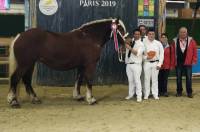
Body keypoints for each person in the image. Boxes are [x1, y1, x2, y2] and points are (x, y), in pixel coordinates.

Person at [171, 27, 198, 98]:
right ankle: (179, 92)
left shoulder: (192, 41)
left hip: (188, 63)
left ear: (187, 33)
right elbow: (173, 52)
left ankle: (189, 92)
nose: (183, 33)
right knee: (178, 78)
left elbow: (195, 51)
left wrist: (194, 60)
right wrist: (173, 62)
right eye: (181, 32)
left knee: (189, 78)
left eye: (184, 32)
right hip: (178, 63)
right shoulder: (174, 41)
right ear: (179, 33)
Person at [143, 28, 164, 100]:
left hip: (155, 63)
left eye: (152, 34)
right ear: (147, 34)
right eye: (150, 34)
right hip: (147, 63)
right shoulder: (144, 43)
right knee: (146, 79)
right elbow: (141, 54)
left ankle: (155, 94)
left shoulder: (158, 43)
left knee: (155, 79)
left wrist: (159, 64)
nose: (151, 35)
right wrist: (146, 57)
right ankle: (146, 94)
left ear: (155, 35)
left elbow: (162, 54)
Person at [125, 29, 144, 102]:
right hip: (128, 64)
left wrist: (129, 47)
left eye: (138, 34)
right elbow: (125, 50)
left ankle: (139, 96)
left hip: (136, 65)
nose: (136, 35)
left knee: (137, 81)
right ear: (133, 34)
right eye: (135, 34)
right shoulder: (129, 41)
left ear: (140, 35)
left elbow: (137, 53)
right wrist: (123, 47)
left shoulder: (141, 44)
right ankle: (130, 94)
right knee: (130, 81)